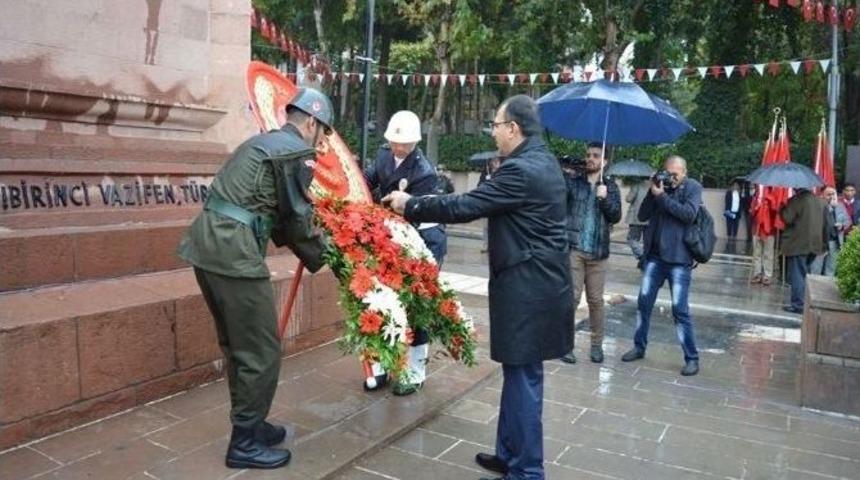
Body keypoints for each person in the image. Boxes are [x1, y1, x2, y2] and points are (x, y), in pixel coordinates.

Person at [383, 95, 573, 480]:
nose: (493, 132)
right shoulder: (541, 160)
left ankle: (528, 471)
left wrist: (410, 204)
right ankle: (509, 455)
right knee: (518, 374)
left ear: (513, 129)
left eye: (496, 125)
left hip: (529, 288)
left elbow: (465, 206)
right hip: (533, 284)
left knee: (524, 379)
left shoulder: (522, 170)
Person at [177, 88, 333, 469]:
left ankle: (252, 423)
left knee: (238, 346)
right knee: (261, 350)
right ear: (311, 123)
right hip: (234, 253)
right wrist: (330, 254)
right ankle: (244, 442)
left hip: (205, 246)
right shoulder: (296, 152)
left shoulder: (261, 143)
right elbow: (296, 222)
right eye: (324, 132)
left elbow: (273, 212)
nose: (322, 141)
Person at [363, 110, 439, 396]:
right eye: (395, 142)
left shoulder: (424, 172)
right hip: (386, 236)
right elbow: (368, 178)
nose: (398, 147)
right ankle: (382, 364)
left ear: (415, 143)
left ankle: (415, 371)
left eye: (404, 143)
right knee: (381, 301)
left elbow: (413, 214)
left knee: (416, 306)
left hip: (418, 240)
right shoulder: (383, 155)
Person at [620, 156, 702, 377]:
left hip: (679, 259)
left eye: (675, 174)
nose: (671, 178)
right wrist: (652, 190)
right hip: (654, 258)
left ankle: (692, 358)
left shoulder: (693, 187)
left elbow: (688, 214)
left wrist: (662, 196)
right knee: (643, 304)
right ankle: (639, 346)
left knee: (680, 310)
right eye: (668, 173)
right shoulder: (659, 187)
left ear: (684, 172)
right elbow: (642, 215)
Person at [560, 143, 622, 364]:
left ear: (605, 161)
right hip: (575, 249)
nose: (590, 159)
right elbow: (559, 198)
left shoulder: (611, 187)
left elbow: (616, 216)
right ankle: (566, 345)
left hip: (598, 252)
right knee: (572, 298)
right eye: (588, 155)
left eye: (596, 155)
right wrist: (562, 173)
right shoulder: (574, 182)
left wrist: (604, 198)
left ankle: (596, 346)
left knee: (595, 301)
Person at [780, 188, 828, 313]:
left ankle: (798, 304)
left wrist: (782, 208)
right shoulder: (821, 202)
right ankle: (803, 302)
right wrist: (824, 245)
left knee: (797, 275)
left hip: (798, 244)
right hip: (815, 244)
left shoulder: (796, 200)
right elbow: (827, 224)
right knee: (804, 273)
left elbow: (787, 218)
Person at [810, 186, 851, 276]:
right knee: (816, 268)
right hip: (821, 242)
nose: (832, 196)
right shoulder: (817, 205)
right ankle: (813, 284)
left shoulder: (840, 205)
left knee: (831, 269)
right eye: (829, 194)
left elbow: (848, 221)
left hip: (835, 241)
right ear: (822, 195)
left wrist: (842, 226)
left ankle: (827, 284)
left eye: (833, 194)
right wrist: (830, 207)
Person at [749, 196, 776, 286]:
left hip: (769, 229)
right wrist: (755, 207)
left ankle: (767, 275)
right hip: (757, 227)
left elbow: (776, 210)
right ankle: (757, 273)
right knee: (757, 253)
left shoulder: (773, 195)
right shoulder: (756, 196)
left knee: (768, 254)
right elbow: (752, 210)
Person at [479, 156, 503, 253]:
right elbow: (479, 185)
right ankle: (485, 245)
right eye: (494, 161)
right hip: (487, 204)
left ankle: (497, 246)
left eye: (497, 161)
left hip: (498, 204)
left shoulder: (503, 173)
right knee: (486, 227)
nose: (495, 163)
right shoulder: (486, 173)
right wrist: (486, 182)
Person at [625, 178, 650, 259]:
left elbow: (629, 199)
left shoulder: (637, 185)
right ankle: (647, 257)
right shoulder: (654, 186)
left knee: (632, 238)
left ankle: (641, 255)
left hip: (636, 217)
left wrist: (631, 191)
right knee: (648, 241)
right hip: (649, 218)